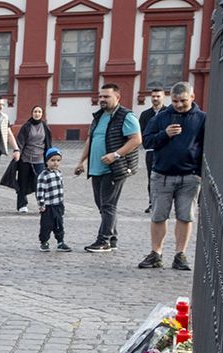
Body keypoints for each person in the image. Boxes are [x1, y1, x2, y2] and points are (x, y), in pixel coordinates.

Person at [140, 81, 205, 271]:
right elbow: (147, 141)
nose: (179, 105)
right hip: (162, 174)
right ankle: (156, 253)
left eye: (183, 101)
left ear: (192, 97)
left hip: (190, 176)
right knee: (158, 215)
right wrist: (164, 134)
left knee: (185, 216)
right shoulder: (161, 117)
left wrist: (200, 173)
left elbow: (207, 146)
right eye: (175, 101)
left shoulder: (201, 118)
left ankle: (180, 254)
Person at [77, 82, 142, 253]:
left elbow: (136, 139)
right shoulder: (99, 116)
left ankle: (103, 240)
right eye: (100, 96)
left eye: (106, 96)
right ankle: (112, 238)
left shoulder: (126, 116)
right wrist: (81, 161)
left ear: (117, 97)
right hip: (97, 168)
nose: (102, 99)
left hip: (115, 168)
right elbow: (91, 140)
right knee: (102, 205)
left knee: (108, 205)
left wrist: (116, 154)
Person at [14, 105, 51, 210]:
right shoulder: (26, 126)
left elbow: (48, 143)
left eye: (39, 112)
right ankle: (22, 204)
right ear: (32, 113)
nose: (37, 113)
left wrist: (49, 157)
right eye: (35, 111)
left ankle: (42, 203)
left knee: (40, 182)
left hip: (40, 159)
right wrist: (18, 152)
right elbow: (20, 141)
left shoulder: (45, 126)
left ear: (42, 114)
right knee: (23, 181)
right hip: (26, 159)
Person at [36, 148, 72, 252]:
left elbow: (60, 188)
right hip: (48, 205)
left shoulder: (59, 173)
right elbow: (40, 191)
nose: (55, 163)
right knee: (46, 225)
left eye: (58, 160)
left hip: (58, 204)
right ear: (47, 161)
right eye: (52, 160)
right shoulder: (43, 175)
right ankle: (44, 242)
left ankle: (60, 242)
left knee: (59, 224)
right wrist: (41, 204)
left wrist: (62, 203)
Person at [138, 87, 168, 213]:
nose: (155, 99)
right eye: (153, 96)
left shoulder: (168, 112)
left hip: (166, 151)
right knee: (152, 177)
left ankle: (166, 203)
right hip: (151, 151)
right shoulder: (146, 114)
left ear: (163, 97)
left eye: (158, 96)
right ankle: (152, 203)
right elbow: (142, 133)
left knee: (167, 177)